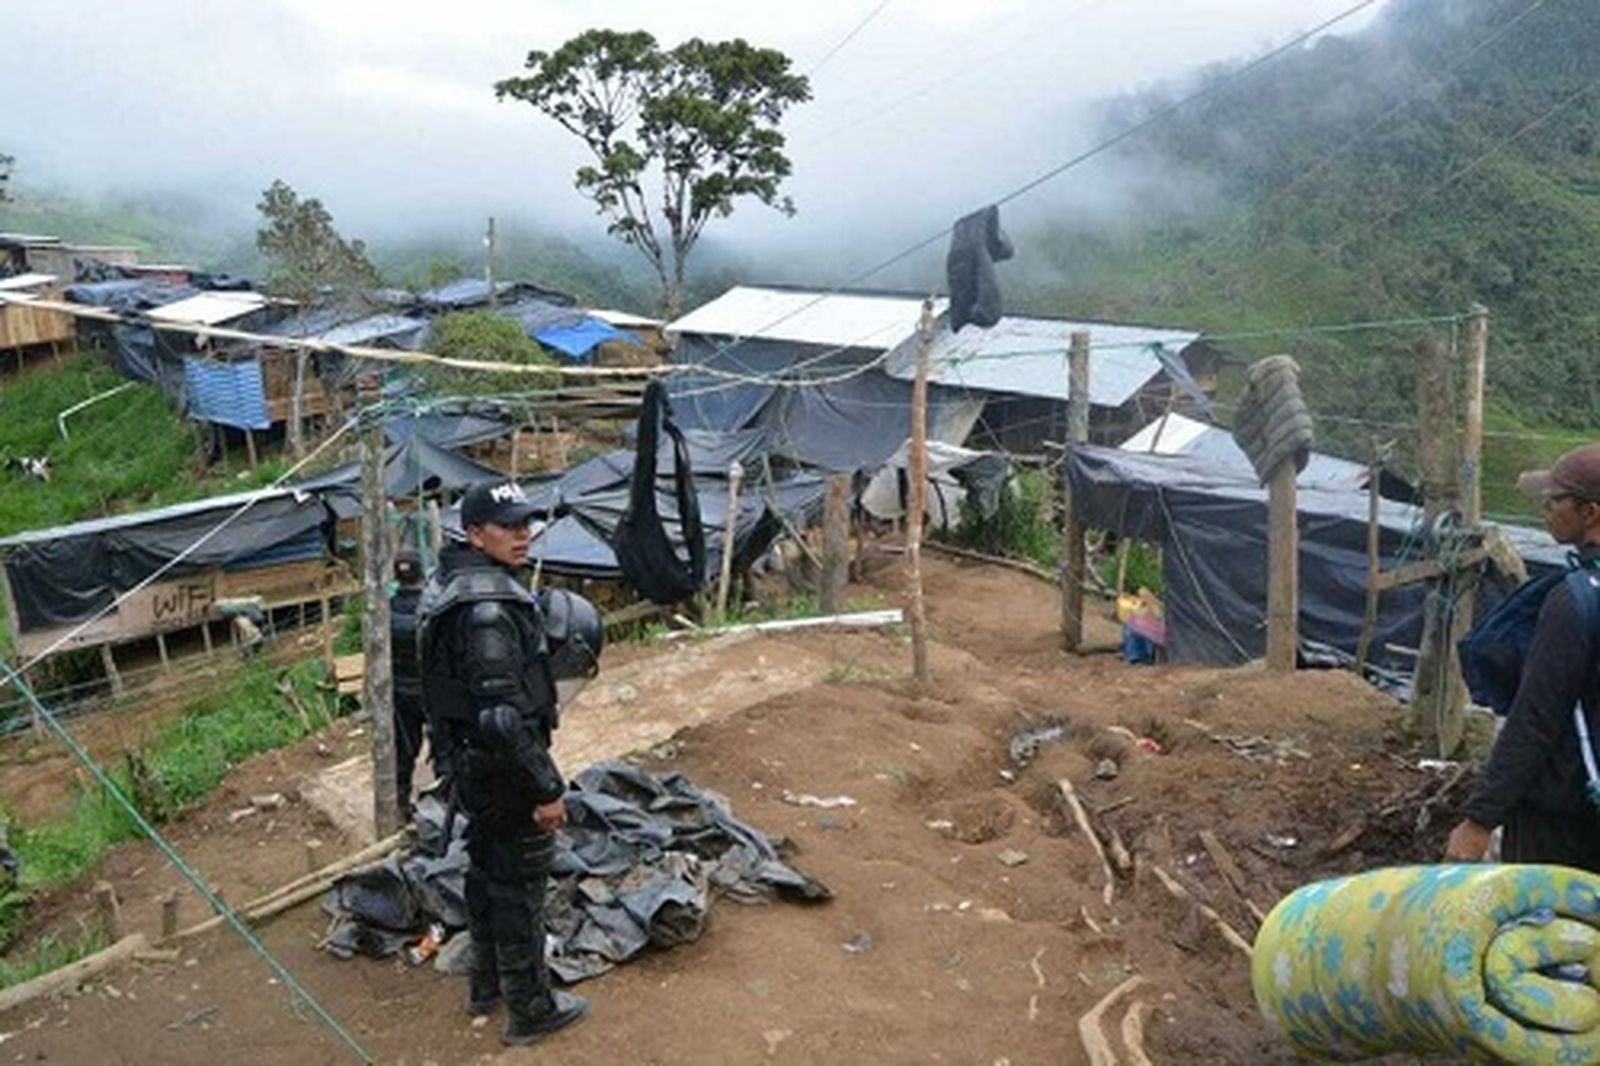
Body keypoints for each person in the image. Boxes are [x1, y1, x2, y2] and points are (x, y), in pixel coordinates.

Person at [417, 480, 587, 1046]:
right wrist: (546, 787)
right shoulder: (488, 607)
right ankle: (531, 1009)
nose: (523, 535)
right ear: (473, 534)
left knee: (486, 873)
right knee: (519, 886)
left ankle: (485, 984)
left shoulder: (453, 584)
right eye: (508, 526)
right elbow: (500, 719)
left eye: (526, 524)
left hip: (470, 766)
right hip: (501, 770)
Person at [1445, 442, 1600, 871]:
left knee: (1546, 932)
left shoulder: (1575, 601)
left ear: (1590, 513)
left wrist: (1479, 820)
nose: (1545, 508)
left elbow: (1536, 717)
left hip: (1564, 817)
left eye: (1554, 500)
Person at [389, 553, 427, 821]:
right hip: (431, 692)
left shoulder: (385, 611)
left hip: (400, 693)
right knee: (447, 750)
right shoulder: (431, 608)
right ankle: (446, 805)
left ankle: (402, 803)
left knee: (404, 751)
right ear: (422, 575)